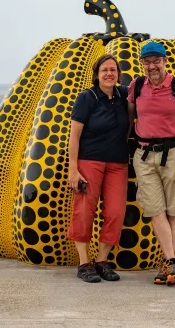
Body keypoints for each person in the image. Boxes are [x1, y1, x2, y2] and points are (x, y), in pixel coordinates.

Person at [127, 41, 175, 285]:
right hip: (144, 155)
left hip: (174, 154)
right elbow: (128, 119)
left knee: (173, 210)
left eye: (156, 60)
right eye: (147, 61)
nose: (152, 65)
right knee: (155, 209)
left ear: (165, 60)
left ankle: (169, 263)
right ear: (142, 64)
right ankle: (172, 262)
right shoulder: (136, 87)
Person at [67, 54, 129, 283]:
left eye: (113, 70)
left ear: (119, 74)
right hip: (89, 161)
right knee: (84, 211)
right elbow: (74, 136)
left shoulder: (123, 96)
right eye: (105, 70)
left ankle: (102, 260)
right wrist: (73, 169)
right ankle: (84, 263)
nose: (109, 73)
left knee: (115, 212)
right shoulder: (87, 98)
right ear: (97, 74)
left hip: (117, 163)